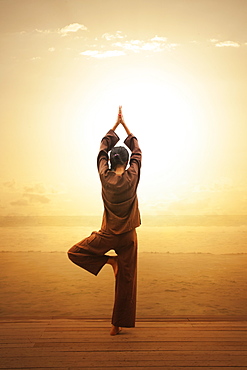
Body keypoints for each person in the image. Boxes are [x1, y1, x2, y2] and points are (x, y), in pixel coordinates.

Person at [67, 106, 142, 336]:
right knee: (126, 281)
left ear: (109, 162)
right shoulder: (133, 175)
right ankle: (116, 325)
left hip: (108, 233)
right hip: (128, 236)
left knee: (75, 252)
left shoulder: (104, 176)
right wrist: (125, 125)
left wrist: (114, 125)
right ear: (128, 162)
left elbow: (102, 149)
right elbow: (137, 150)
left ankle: (110, 263)